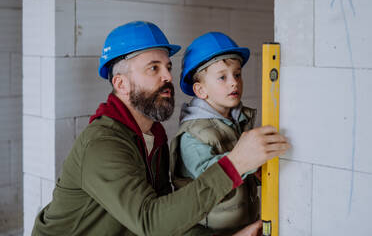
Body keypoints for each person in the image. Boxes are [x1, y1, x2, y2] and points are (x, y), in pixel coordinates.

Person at [31, 21, 290, 236]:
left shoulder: (154, 137)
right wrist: (235, 164)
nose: (167, 76)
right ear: (121, 84)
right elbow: (151, 223)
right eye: (153, 68)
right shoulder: (103, 144)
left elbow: (169, 217)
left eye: (167, 66)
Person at [170, 32, 263, 234]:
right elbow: (211, 177)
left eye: (237, 74)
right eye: (222, 77)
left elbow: (247, 175)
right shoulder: (192, 135)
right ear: (201, 90)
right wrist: (251, 161)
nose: (234, 82)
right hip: (213, 230)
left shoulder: (238, 120)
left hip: (245, 224)